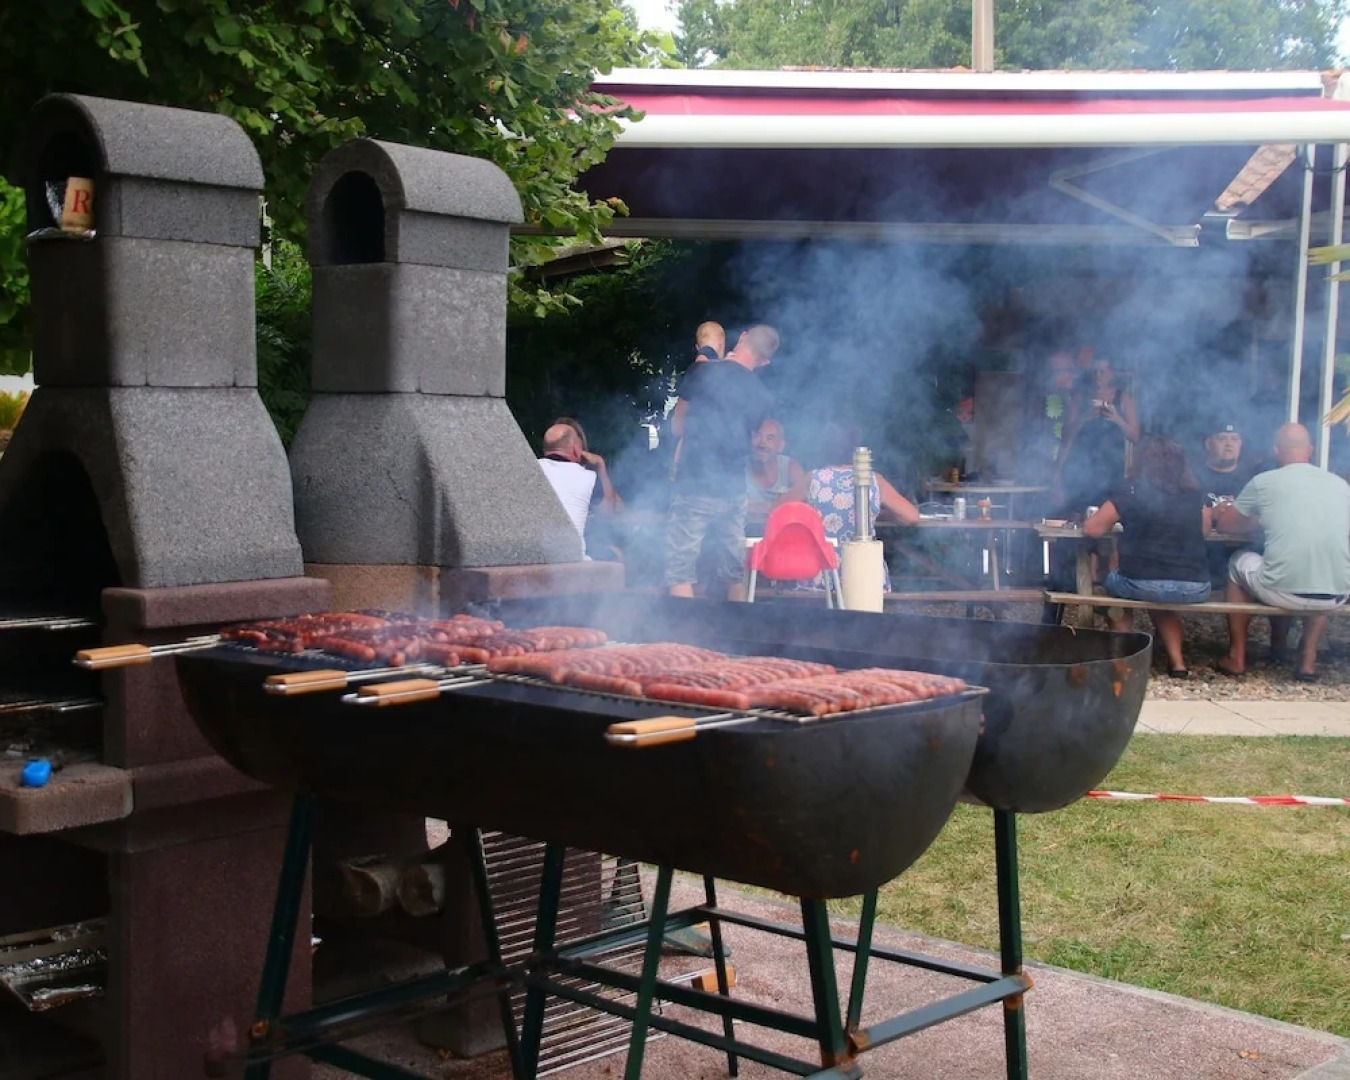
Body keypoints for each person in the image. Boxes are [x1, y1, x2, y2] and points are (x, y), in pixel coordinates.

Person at [1214, 423, 1350, 681]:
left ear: (1276, 451)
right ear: (1310, 450)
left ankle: (1237, 657)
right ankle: (1308, 661)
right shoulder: (1340, 486)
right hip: (1336, 594)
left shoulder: (1264, 482)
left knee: (1237, 563)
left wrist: (1261, 520)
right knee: (1321, 566)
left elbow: (1226, 525)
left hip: (1282, 591)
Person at [1083, 435, 1212, 678]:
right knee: (1161, 597)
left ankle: (1122, 662)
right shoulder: (1195, 493)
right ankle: (1178, 664)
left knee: (1118, 588)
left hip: (1143, 583)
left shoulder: (1128, 492)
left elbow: (1093, 529)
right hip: (1195, 586)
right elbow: (1204, 529)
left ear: (1140, 462)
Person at [665, 325, 778, 600]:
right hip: (734, 489)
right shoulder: (764, 397)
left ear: (741, 338)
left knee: (680, 569)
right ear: (765, 361)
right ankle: (737, 632)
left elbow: (677, 429)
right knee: (732, 572)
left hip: (695, 483)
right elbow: (748, 438)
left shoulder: (701, 371)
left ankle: (682, 636)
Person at [799, 425, 920, 592]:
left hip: (820, 572)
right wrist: (879, 512)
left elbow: (778, 509)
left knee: (820, 618)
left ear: (824, 448)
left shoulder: (813, 478)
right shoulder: (873, 479)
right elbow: (911, 516)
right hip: (864, 572)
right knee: (864, 616)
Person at [1055, 356, 1141, 516]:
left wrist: (1116, 418)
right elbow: (1066, 437)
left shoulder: (1123, 398)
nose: (1098, 375)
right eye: (1095, 371)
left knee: (1110, 522)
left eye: (1102, 371)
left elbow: (1135, 436)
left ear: (1112, 373)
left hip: (1112, 471)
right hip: (1082, 470)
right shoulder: (1081, 398)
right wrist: (1085, 417)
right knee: (1079, 516)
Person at [538, 424, 597, 557]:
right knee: (615, 552)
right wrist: (601, 465)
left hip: (529, 557)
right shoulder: (589, 477)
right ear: (577, 450)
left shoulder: (528, 469)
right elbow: (610, 511)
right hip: (573, 561)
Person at [746, 418, 807, 526]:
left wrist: (765, 507)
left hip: (782, 534)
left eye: (770, 438)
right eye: (757, 436)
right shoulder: (738, 468)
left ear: (781, 446)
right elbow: (725, 504)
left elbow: (805, 498)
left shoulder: (790, 467)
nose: (762, 444)